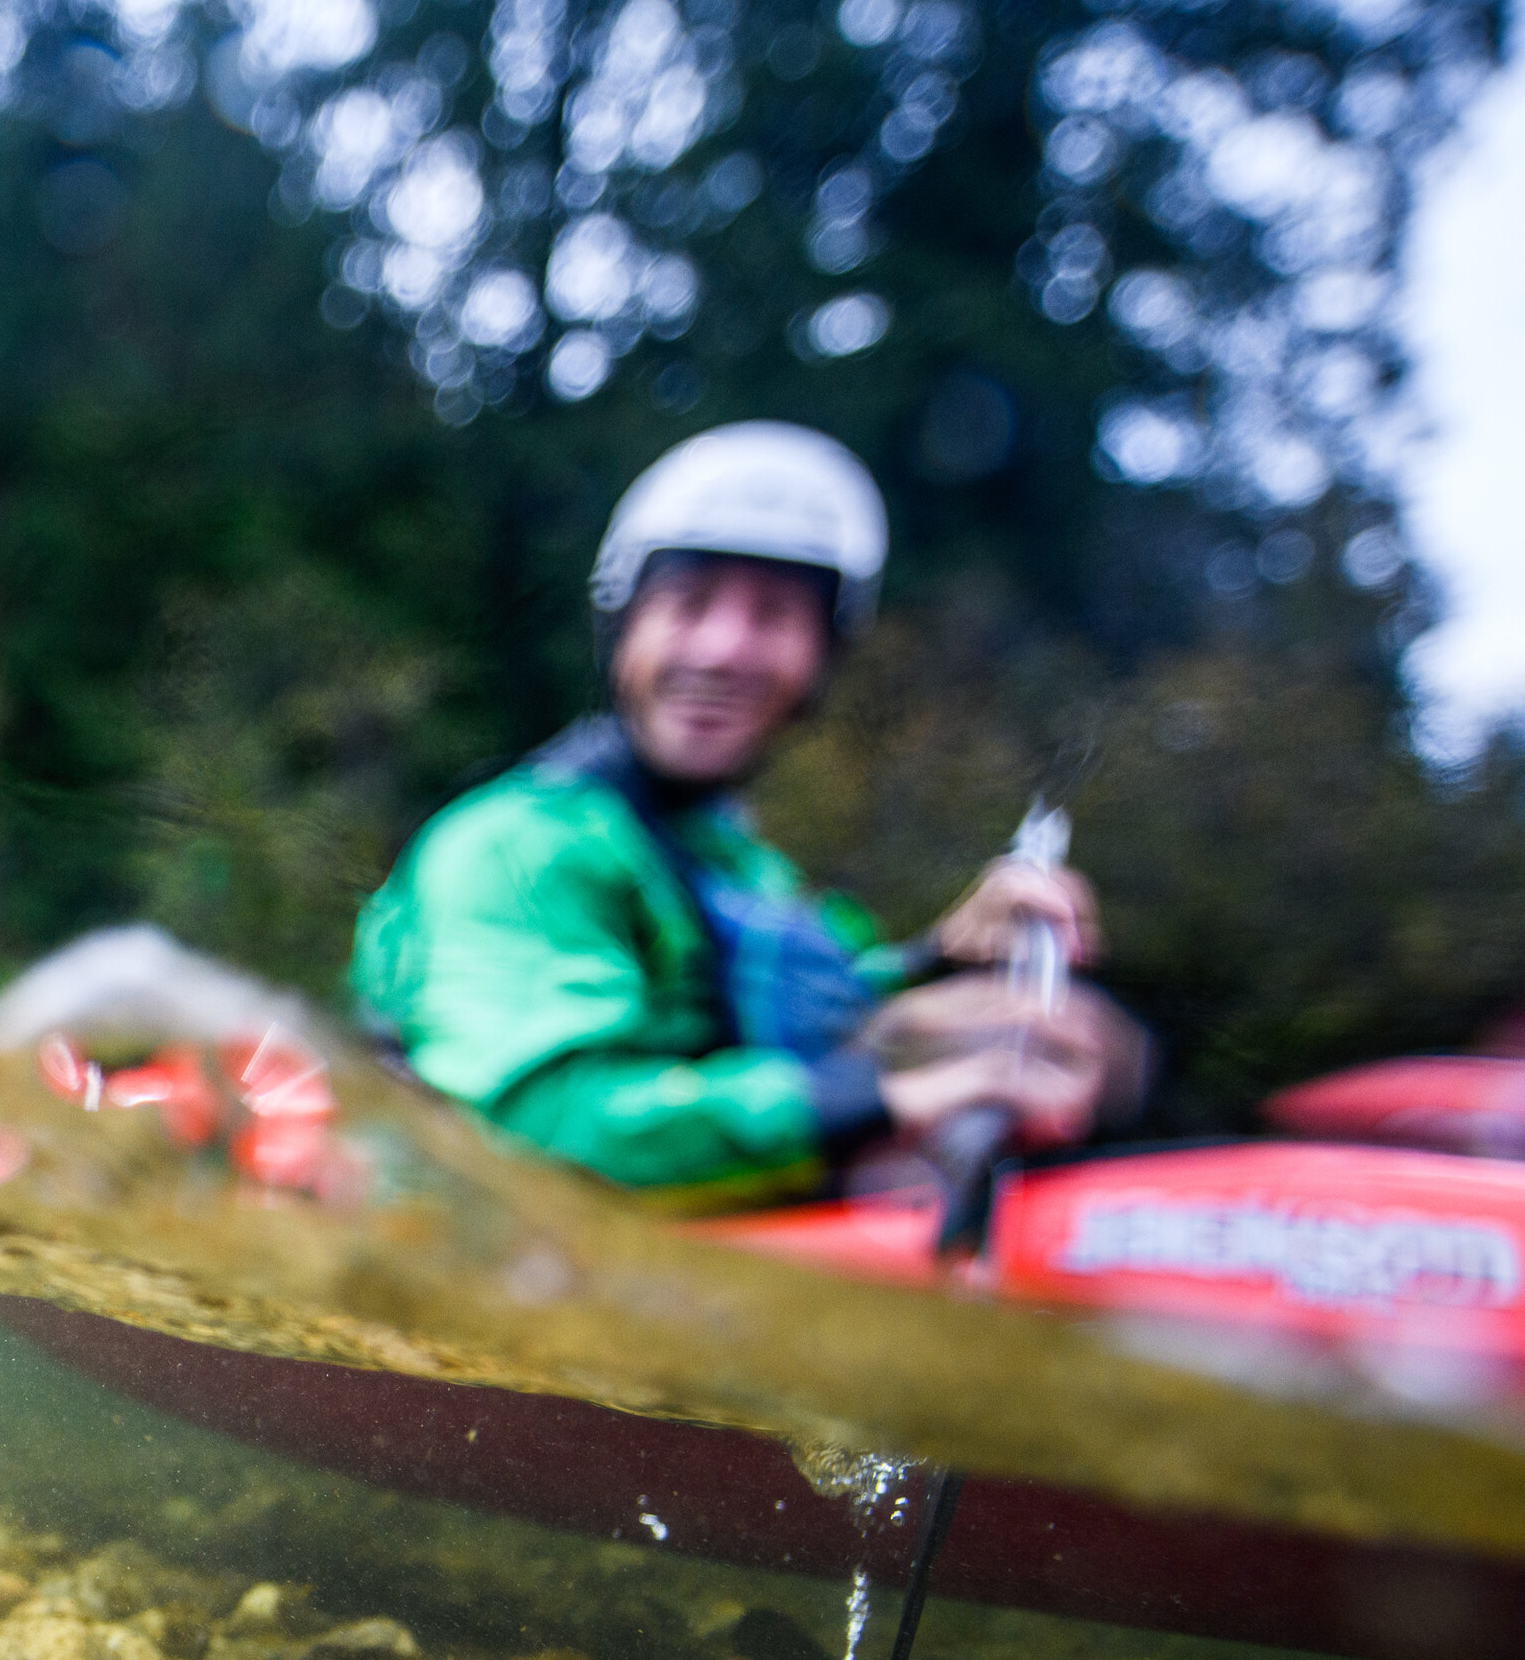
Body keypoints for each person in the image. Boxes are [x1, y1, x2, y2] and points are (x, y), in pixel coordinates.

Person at [348, 421, 1129, 1206]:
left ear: (822, 661)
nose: (724, 650)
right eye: (689, 604)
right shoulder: (509, 849)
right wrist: (887, 1094)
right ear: (623, 630)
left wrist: (940, 959)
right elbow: (539, 1130)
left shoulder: (736, 861)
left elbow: (785, 1012)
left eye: (774, 616)